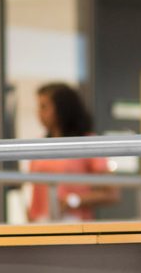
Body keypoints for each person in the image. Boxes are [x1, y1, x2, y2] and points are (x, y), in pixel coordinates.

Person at [27, 83, 119, 222]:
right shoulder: (39, 143)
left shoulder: (86, 142)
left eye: (44, 107)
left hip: (74, 224)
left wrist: (73, 200)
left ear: (62, 108)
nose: (39, 113)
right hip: (40, 223)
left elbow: (112, 193)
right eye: (39, 107)